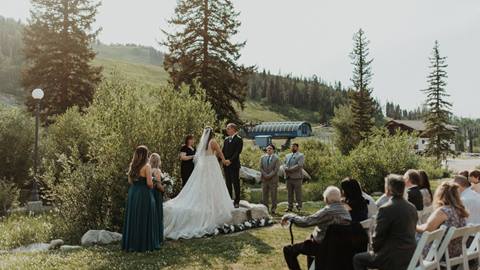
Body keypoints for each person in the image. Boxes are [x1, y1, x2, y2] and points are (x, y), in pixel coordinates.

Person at [163, 127, 234, 239]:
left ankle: (207, 204)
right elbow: (220, 152)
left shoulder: (202, 143)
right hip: (211, 164)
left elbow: (199, 157)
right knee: (215, 184)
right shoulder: (213, 141)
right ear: (212, 134)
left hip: (204, 165)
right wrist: (224, 160)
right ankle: (214, 206)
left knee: (205, 185)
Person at [353, 174, 418, 270]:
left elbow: (378, 236)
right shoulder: (412, 207)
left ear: (388, 189)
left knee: (357, 258)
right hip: (409, 254)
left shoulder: (385, 209)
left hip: (392, 257)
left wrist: (375, 251)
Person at [282, 186, 351, 270]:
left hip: (321, 246)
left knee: (288, 250)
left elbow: (306, 222)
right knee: (308, 240)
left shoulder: (327, 211)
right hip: (338, 247)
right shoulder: (346, 210)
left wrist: (291, 216)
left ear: (326, 198)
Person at [122, 145, 162, 252]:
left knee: (135, 216)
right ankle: (144, 244)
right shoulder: (147, 167)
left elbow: (130, 181)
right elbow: (149, 183)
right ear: (145, 155)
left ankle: (132, 243)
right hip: (144, 194)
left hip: (133, 193)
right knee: (144, 217)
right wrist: (154, 183)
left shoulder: (133, 165)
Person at [416, 181, 468, 258]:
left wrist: (413, 226)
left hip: (440, 253)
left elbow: (427, 229)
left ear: (441, 194)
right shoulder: (459, 210)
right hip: (455, 251)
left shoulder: (443, 211)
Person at [222, 123, 243, 208]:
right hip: (226, 165)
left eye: (228, 128)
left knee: (236, 183)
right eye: (227, 128)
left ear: (233, 129)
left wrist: (230, 160)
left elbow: (237, 152)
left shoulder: (239, 139)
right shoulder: (226, 139)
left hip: (234, 165)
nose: (226, 130)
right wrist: (222, 160)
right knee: (228, 183)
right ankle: (229, 200)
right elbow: (223, 151)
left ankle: (237, 201)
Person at [260, 144, 280, 214]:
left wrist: (269, 175)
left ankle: (273, 209)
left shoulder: (276, 158)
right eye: (267, 148)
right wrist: (265, 175)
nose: (268, 150)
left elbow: (276, 169)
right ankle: (265, 208)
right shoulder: (262, 158)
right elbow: (261, 167)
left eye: (270, 148)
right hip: (264, 179)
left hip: (273, 179)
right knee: (264, 195)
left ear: (273, 150)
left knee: (273, 195)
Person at [284, 143, 305, 212]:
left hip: (297, 178)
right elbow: (284, 164)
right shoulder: (287, 155)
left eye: (294, 147)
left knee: (298, 193)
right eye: (292, 146)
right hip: (288, 178)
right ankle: (290, 207)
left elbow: (299, 165)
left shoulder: (300, 155)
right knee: (289, 193)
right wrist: (285, 168)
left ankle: (299, 207)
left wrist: (290, 169)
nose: (293, 148)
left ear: (297, 147)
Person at [149, 153, 165, 240]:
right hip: (156, 193)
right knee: (158, 214)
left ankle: (151, 236)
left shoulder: (148, 170)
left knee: (151, 214)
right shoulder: (157, 171)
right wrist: (164, 189)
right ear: (158, 161)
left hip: (150, 193)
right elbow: (158, 185)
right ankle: (158, 237)